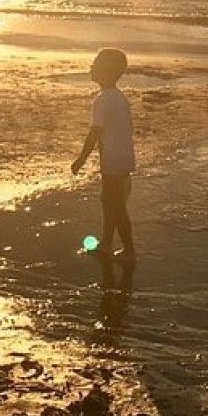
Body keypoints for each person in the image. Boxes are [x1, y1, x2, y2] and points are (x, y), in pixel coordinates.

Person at [71, 48, 137, 262]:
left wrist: (81, 160)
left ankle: (129, 251)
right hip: (122, 159)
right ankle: (107, 244)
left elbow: (94, 134)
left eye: (96, 64)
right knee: (109, 202)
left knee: (115, 206)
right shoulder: (119, 98)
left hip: (113, 161)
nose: (91, 67)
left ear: (107, 71)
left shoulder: (102, 100)